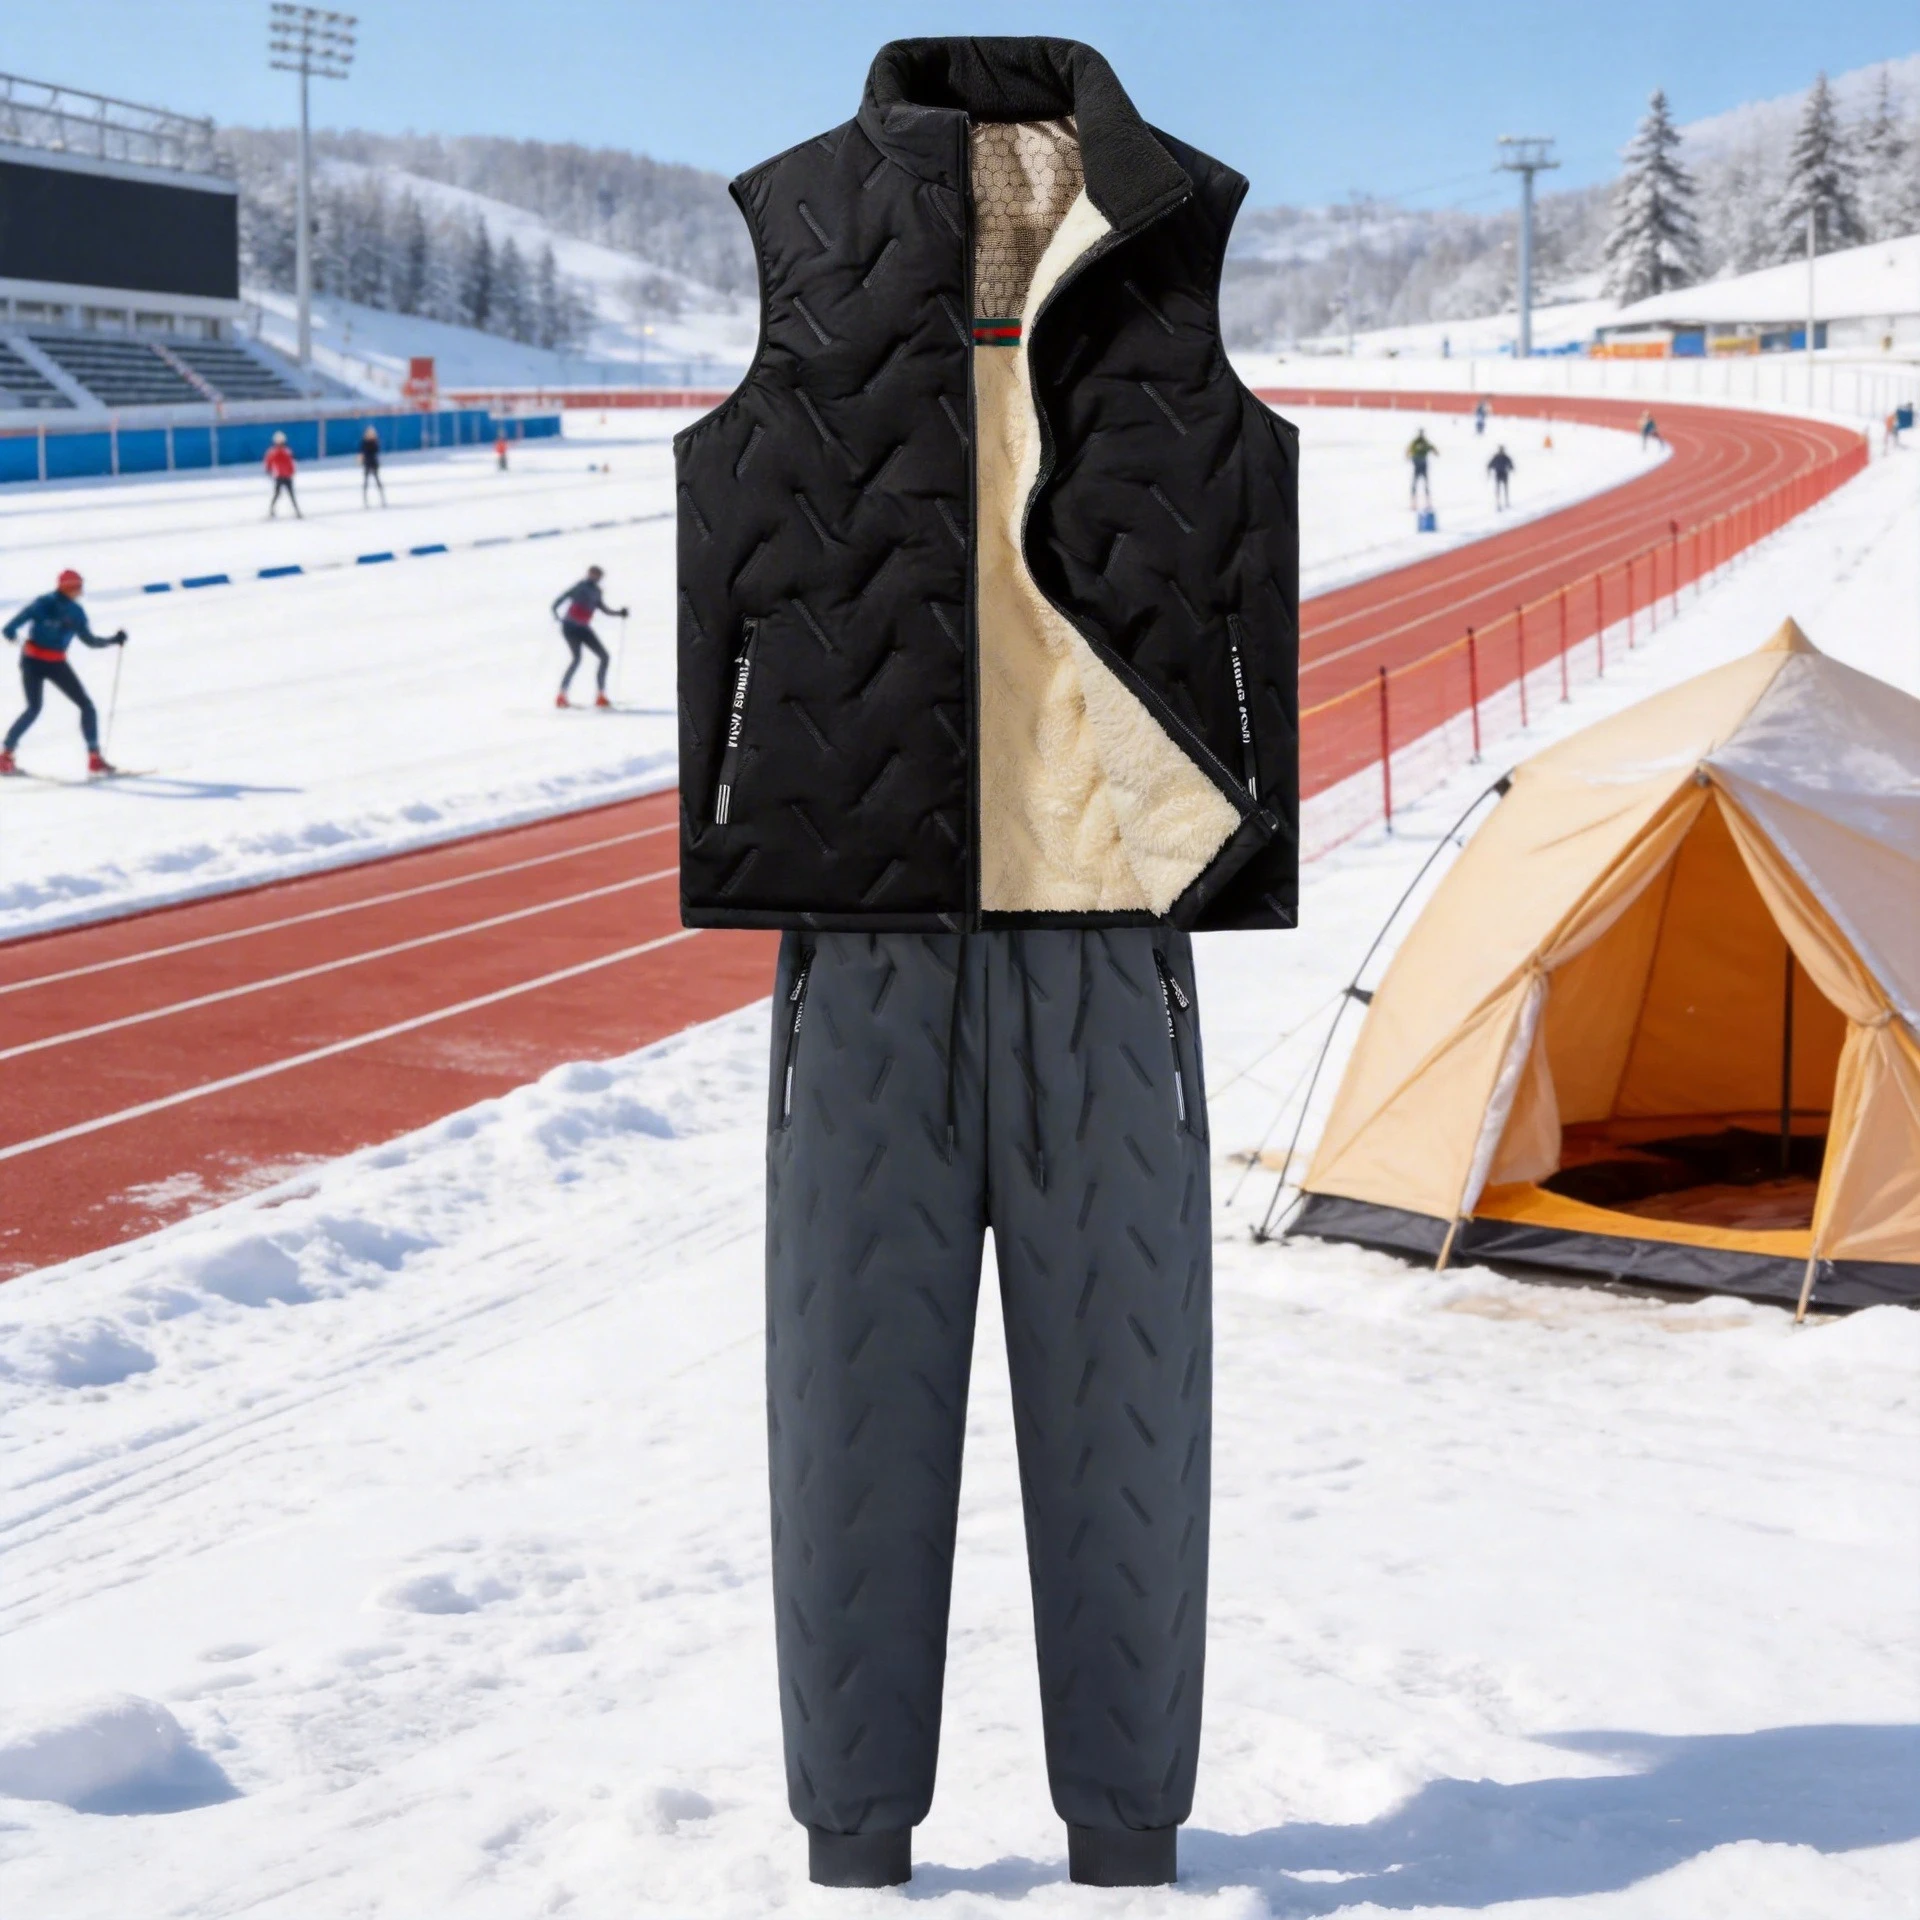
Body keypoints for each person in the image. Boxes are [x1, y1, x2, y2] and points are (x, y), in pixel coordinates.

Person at [1, 570, 126, 776]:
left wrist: (20, 642)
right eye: (78, 586)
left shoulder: (43, 604)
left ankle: (5, 756)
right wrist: (113, 640)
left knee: (34, 708)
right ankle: (94, 759)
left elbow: (8, 629)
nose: (81, 590)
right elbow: (90, 641)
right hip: (53, 663)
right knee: (84, 706)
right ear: (69, 586)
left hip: (34, 662)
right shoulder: (73, 611)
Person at [550, 566, 628, 708]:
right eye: (594, 574)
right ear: (589, 574)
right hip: (570, 627)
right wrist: (556, 614)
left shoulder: (597, 591)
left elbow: (603, 609)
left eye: (598, 575)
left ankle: (601, 696)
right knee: (577, 658)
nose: (596, 577)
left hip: (583, 628)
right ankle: (561, 695)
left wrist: (619, 613)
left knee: (604, 656)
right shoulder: (580, 586)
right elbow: (560, 600)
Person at [264, 431, 301, 518]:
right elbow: (269, 462)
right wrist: (268, 469)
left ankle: (297, 511)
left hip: (286, 476)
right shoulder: (275, 452)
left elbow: (290, 462)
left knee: (290, 495)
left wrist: (291, 471)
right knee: (278, 494)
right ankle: (272, 511)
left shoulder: (285, 451)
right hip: (280, 476)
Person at [1407, 428, 1438, 509]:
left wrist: (1435, 452)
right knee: (1417, 483)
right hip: (1419, 465)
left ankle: (1426, 502)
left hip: (1422, 465)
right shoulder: (1417, 442)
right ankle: (1414, 502)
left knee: (1424, 483)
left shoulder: (1423, 442)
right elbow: (1410, 449)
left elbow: (1431, 447)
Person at [359, 426, 386, 506]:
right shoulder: (364, 442)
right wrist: (361, 460)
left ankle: (382, 499)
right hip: (367, 464)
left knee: (377, 482)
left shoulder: (375, 442)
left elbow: (376, 451)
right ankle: (365, 500)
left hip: (374, 464)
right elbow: (362, 453)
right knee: (366, 482)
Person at [1487, 443, 1515, 509]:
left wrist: (1511, 468)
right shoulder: (1496, 457)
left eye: (1502, 450)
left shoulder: (1505, 457)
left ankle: (1506, 502)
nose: (1501, 451)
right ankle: (1498, 503)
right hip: (1498, 474)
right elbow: (1490, 465)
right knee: (1498, 489)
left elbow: (1511, 464)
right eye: (1500, 450)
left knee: (1505, 489)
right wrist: (1489, 471)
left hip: (1504, 473)